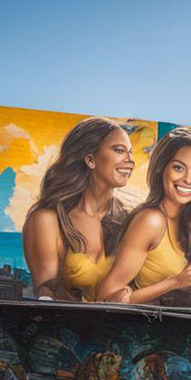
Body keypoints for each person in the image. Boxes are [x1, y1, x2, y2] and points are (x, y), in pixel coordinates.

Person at [96, 127, 191, 304]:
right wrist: (175, 282)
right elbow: (105, 297)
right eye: (178, 168)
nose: (188, 179)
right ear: (161, 168)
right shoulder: (151, 221)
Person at [22, 117, 134, 300]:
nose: (130, 161)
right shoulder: (48, 220)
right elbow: (47, 293)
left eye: (130, 152)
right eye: (119, 150)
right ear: (90, 159)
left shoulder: (129, 218)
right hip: (71, 326)